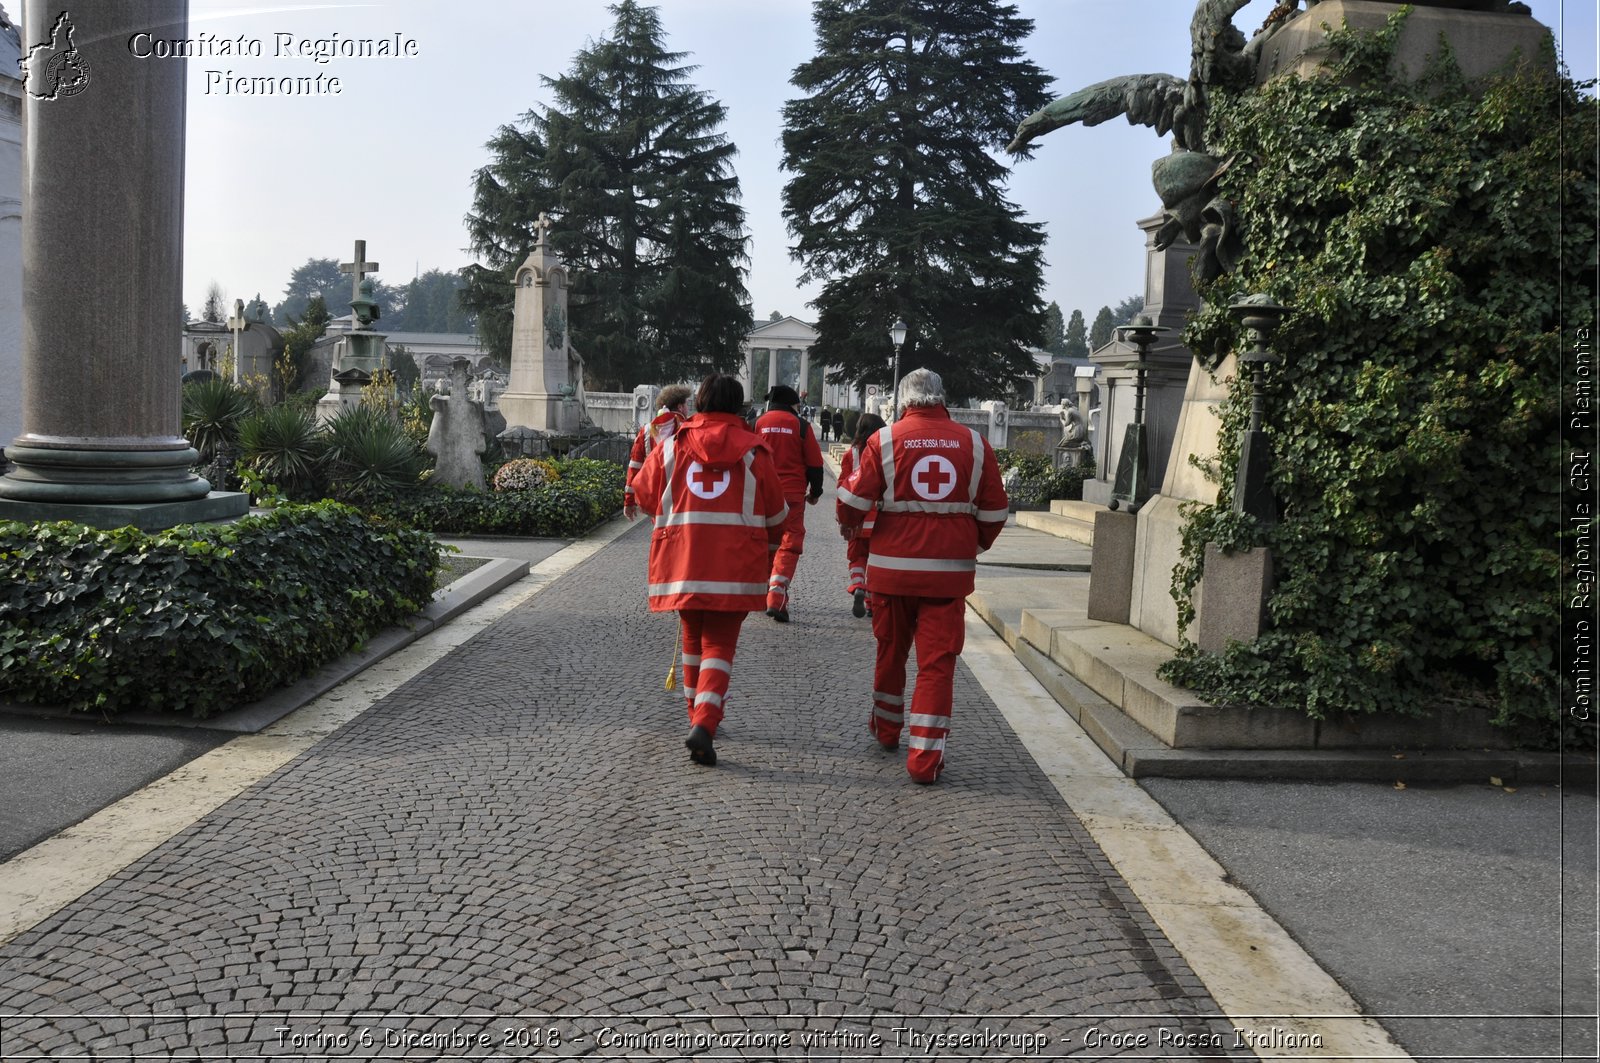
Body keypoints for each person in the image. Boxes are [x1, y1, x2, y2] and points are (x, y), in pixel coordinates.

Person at [836, 368, 1008, 785]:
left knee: (890, 651)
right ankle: (924, 761)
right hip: (947, 577)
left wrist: (854, 528)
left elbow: (851, 501)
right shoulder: (976, 444)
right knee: (936, 666)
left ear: (904, 401)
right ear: (941, 397)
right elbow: (995, 512)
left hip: (891, 572)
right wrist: (970, 546)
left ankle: (888, 729)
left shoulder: (885, 441)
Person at [631, 374, 789, 768]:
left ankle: (694, 714)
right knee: (719, 644)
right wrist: (766, 553)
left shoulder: (671, 446)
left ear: (699, 402)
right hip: (734, 564)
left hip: (682, 561)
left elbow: (645, 494)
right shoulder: (755, 452)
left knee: (692, 638)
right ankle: (705, 719)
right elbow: (777, 515)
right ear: (738, 406)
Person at [755, 384, 823, 622]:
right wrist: (815, 491)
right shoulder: (801, 426)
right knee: (789, 543)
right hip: (792, 494)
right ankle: (777, 593)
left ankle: (762, 590)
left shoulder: (758, 423)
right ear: (794, 404)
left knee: (763, 539)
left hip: (760, 494)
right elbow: (815, 463)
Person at [837, 412, 886, 619]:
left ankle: (858, 584)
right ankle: (871, 603)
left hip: (858, 515)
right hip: (879, 517)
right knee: (876, 560)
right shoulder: (886, 452)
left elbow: (843, 486)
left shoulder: (851, 454)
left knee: (857, 556)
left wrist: (843, 518)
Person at [623, 384, 692, 521]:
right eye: (686, 404)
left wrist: (629, 501)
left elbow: (634, 468)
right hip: (684, 498)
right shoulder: (689, 429)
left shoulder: (647, 431)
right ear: (680, 407)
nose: (687, 408)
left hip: (657, 497)